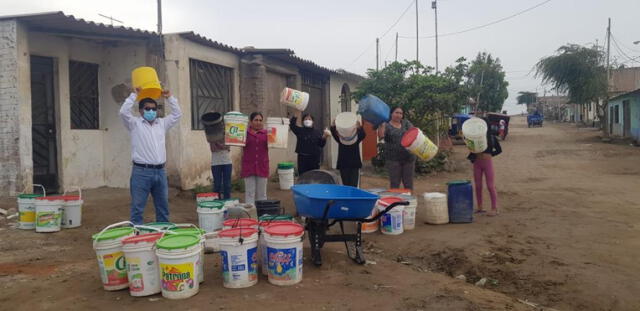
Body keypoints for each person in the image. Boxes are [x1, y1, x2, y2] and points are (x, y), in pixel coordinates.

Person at [119, 88, 182, 225]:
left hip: (160, 171)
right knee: (137, 207)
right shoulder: (134, 124)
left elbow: (177, 114)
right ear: (141, 110)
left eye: (154, 109)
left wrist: (169, 97)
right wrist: (134, 95)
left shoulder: (162, 124)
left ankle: (163, 233)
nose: (152, 111)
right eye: (148, 108)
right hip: (141, 172)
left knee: (163, 207)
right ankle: (137, 238)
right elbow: (123, 112)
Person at [467, 119, 502, 216]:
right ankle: (480, 207)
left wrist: (491, 154)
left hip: (487, 162)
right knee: (478, 186)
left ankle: (495, 208)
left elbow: (499, 150)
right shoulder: (475, 138)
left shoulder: (491, 137)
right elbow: (471, 149)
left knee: (490, 186)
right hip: (477, 163)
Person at [377, 106, 416, 190]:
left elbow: (414, 133)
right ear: (391, 113)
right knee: (395, 184)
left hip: (408, 158)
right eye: (396, 112)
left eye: (400, 113)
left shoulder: (406, 123)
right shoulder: (386, 125)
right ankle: (395, 202)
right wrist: (382, 126)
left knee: (408, 184)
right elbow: (381, 136)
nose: (398, 115)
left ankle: (409, 202)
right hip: (393, 159)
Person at [290, 110, 330, 176]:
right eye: (305, 119)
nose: (307, 120)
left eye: (309, 119)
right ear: (303, 121)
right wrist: (296, 114)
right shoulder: (300, 131)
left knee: (314, 176)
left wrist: (324, 137)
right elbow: (292, 126)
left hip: (314, 158)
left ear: (312, 121)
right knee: (303, 175)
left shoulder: (317, 132)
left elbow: (321, 144)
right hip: (302, 158)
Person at [241, 112, 269, 205]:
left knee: (262, 194)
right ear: (251, 121)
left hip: (262, 166)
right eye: (256, 120)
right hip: (249, 166)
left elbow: (275, 143)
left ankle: (262, 215)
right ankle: (250, 215)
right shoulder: (244, 133)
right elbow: (234, 139)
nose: (258, 122)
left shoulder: (267, 134)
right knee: (250, 193)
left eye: (260, 120)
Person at [330, 119, 366, 187]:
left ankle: (353, 197)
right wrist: (333, 125)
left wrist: (360, 127)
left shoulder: (356, 139)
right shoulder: (340, 140)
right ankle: (347, 197)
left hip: (354, 165)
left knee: (353, 185)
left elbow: (363, 135)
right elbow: (334, 133)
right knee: (346, 184)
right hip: (343, 164)